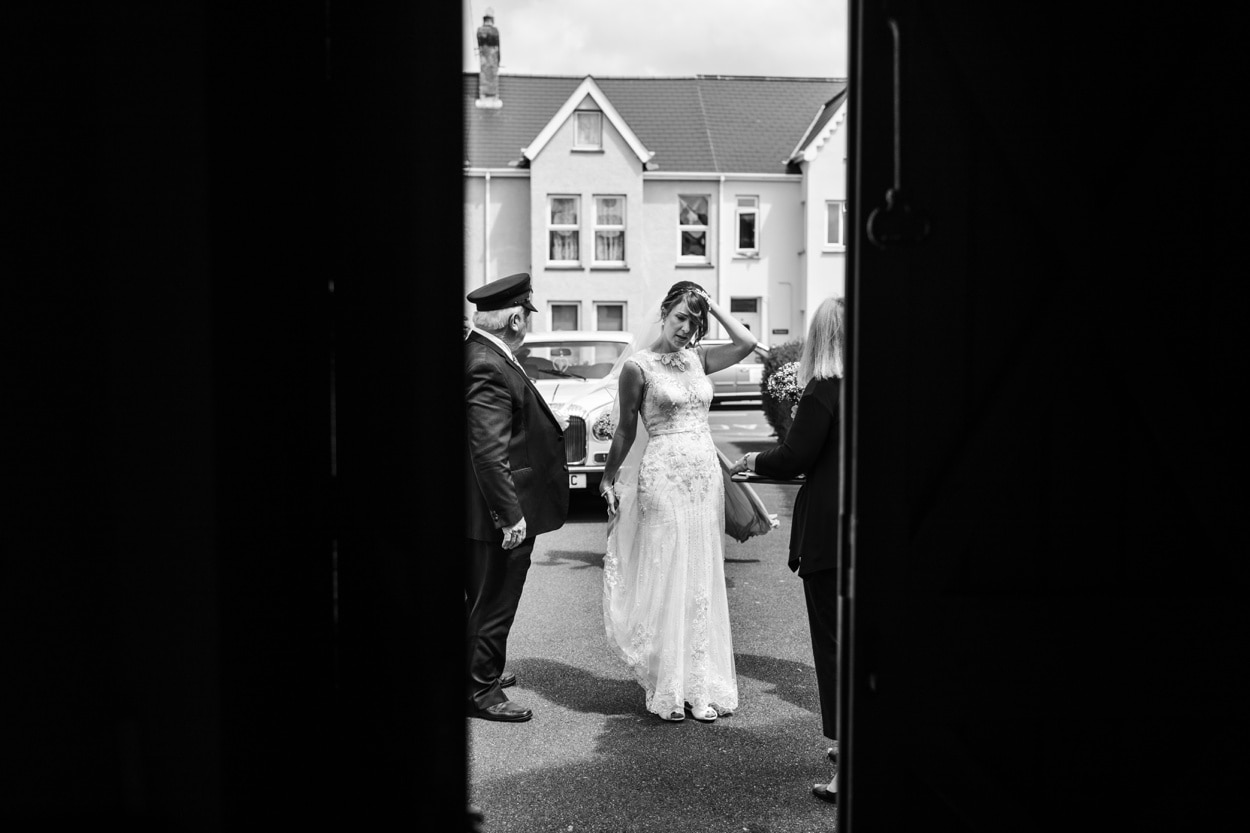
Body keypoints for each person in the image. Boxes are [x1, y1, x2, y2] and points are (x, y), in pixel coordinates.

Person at [599, 281, 760, 723]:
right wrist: (609, 478)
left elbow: (746, 343)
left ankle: (699, 685)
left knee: (700, 575)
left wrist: (712, 304)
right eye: (680, 318)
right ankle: (667, 685)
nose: (686, 329)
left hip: (704, 479)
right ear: (665, 312)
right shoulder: (638, 367)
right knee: (669, 571)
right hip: (663, 476)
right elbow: (625, 430)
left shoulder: (698, 359)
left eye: (695, 321)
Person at [729, 295, 845, 802]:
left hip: (830, 536)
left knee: (834, 647)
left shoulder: (823, 389)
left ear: (819, 337)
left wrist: (752, 459)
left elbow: (796, 455)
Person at [464, 272, 570, 722]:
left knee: (481, 597)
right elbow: (489, 452)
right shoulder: (487, 363)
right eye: (527, 312)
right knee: (495, 601)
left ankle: (477, 671)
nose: (529, 320)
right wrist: (510, 515)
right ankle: (481, 692)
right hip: (498, 510)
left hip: (483, 507)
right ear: (514, 319)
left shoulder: (482, 353)